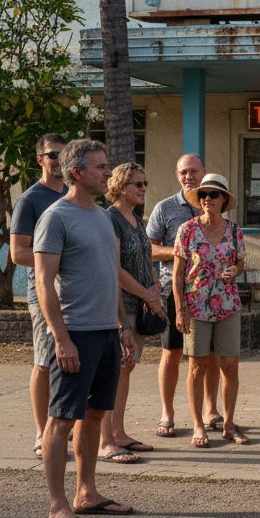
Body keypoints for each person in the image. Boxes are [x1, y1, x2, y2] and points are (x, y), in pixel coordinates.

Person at [33, 138, 136, 518]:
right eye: (100, 167)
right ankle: (58, 505)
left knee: (95, 415)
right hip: (74, 332)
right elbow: (44, 282)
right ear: (77, 173)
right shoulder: (56, 217)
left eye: (107, 165)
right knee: (61, 419)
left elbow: (111, 275)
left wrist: (123, 325)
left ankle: (86, 492)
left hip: (107, 332)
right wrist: (61, 339)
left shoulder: (102, 217)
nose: (108, 173)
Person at [147, 153, 221, 438]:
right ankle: (167, 413)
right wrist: (182, 253)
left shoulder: (217, 203)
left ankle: (211, 410)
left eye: (193, 171)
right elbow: (149, 248)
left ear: (204, 171)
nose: (188, 177)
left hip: (210, 294)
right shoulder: (165, 208)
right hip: (174, 291)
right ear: (177, 175)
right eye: (183, 172)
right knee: (172, 352)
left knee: (210, 355)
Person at [172, 173, 248, 448]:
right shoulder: (187, 230)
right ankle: (198, 425)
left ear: (224, 199)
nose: (207, 199)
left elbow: (240, 263)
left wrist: (235, 270)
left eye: (214, 195)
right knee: (196, 367)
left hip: (228, 304)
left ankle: (228, 424)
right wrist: (179, 309)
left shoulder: (234, 230)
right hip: (196, 305)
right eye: (203, 195)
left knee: (230, 366)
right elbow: (178, 273)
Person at [100, 162, 164, 463]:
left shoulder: (137, 220)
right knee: (113, 372)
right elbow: (115, 268)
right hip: (120, 305)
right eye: (137, 184)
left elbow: (147, 258)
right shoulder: (111, 218)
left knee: (126, 370)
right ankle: (105, 439)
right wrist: (145, 293)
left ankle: (119, 432)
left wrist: (154, 290)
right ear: (121, 186)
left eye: (145, 183)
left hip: (141, 304)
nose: (143, 189)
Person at [9, 132, 67, 459]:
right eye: (52, 155)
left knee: (69, 362)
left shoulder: (75, 195)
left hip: (76, 295)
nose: (58, 160)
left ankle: (61, 429)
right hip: (43, 294)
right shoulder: (30, 200)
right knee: (45, 362)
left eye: (63, 154)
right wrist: (58, 259)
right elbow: (18, 252)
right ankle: (41, 433)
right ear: (40, 160)